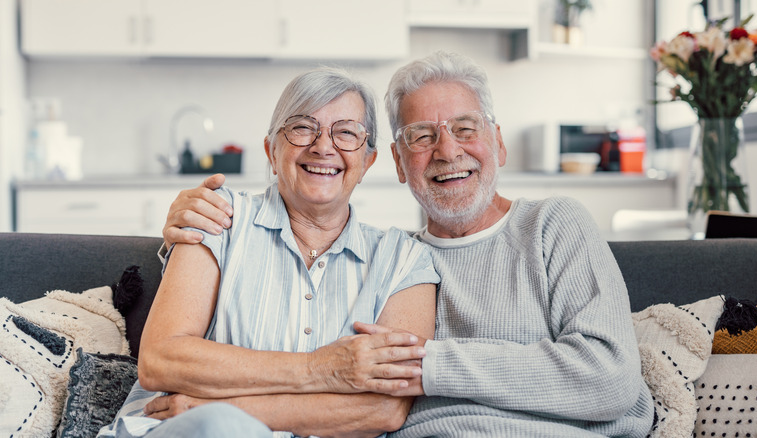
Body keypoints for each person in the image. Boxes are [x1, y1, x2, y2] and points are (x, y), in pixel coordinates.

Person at [163, 51, 656, 437]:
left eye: (465, 128)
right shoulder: (396, 259)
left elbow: (609, 376)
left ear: (498, 143)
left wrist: (428, 366)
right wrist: (182, 234)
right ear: (398, 163)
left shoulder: (553, 224)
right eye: (421, 136)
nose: (447, 151)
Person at [100, 67, 440, 438]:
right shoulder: (219, 218)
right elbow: (162, 360)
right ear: (271, 151)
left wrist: (222, 406)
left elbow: (384, 409)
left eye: (346, 132)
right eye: (302, 127)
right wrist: (322, 369)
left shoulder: (405, 260)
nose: (323, 147)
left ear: (368, 162)